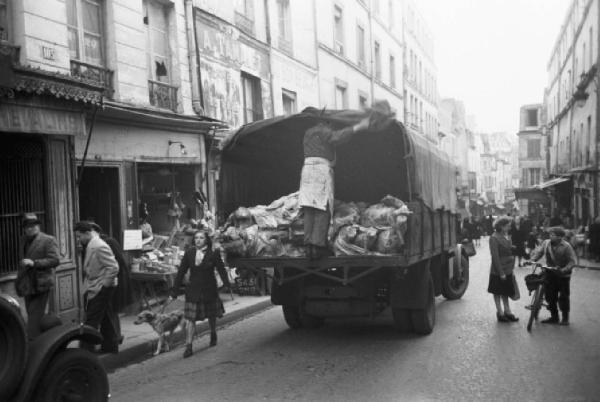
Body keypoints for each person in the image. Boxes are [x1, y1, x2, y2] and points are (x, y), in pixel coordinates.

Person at [170, 230, 231, 358]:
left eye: (201, 238)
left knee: (211, 315)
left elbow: (221, 269)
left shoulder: (213, 253)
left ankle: (213, 333)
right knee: (190, 319)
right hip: (193, 290)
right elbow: (181, 272)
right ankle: (189, 346)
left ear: (206, 240)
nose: (198, 240)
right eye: (196, 238)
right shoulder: (189, 253)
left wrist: (227, 284)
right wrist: (174, 291)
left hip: (209, 289)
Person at [74, 221, 120, 353]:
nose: (78, 239)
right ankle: (111, 345)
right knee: (105, 317)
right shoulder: (91, 244)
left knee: (91, 320)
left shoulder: (99, 246)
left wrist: (104, 285)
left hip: (99, 287)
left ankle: (86, 350)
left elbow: (113, 267)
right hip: (96, 285)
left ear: (87, 233)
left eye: (79, 236)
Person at [16, 213, 60, 340]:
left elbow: (55, 260)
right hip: (26, 284)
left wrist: (34, 263)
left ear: (38, 226)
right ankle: (43, 341)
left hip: (41, 283)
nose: (31, 228)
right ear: (24, 228)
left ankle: (33, 346)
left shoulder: (48, 240)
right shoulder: (22, 240)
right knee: (32, 315)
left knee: (34, 318)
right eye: (27, 226)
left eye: (34, 225)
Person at [529, 227, 577, 325]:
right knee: (550, 296)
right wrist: (532, 260)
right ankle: (554, 317)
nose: (550, 236)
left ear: (560, 237)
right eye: (550, 234)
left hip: (563, 275)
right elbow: (539, 252)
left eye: (553, 235)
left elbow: (572, 262)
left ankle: (565, 318)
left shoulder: (566, 246)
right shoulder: (546, 243)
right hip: (550, 272)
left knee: (563, 296)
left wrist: (563, 270)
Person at [488, 217, 520, 323]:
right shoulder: (494, 238)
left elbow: (506, 248)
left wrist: (512, 247)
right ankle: (500, 312)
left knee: (505, 291)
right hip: (498, 270)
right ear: (502, 226)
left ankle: (508, 311)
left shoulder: (505, 236)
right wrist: (501, 273)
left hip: (508, 269)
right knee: (497, 291)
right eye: (508, 225)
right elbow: (495, 256)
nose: (510, 227)